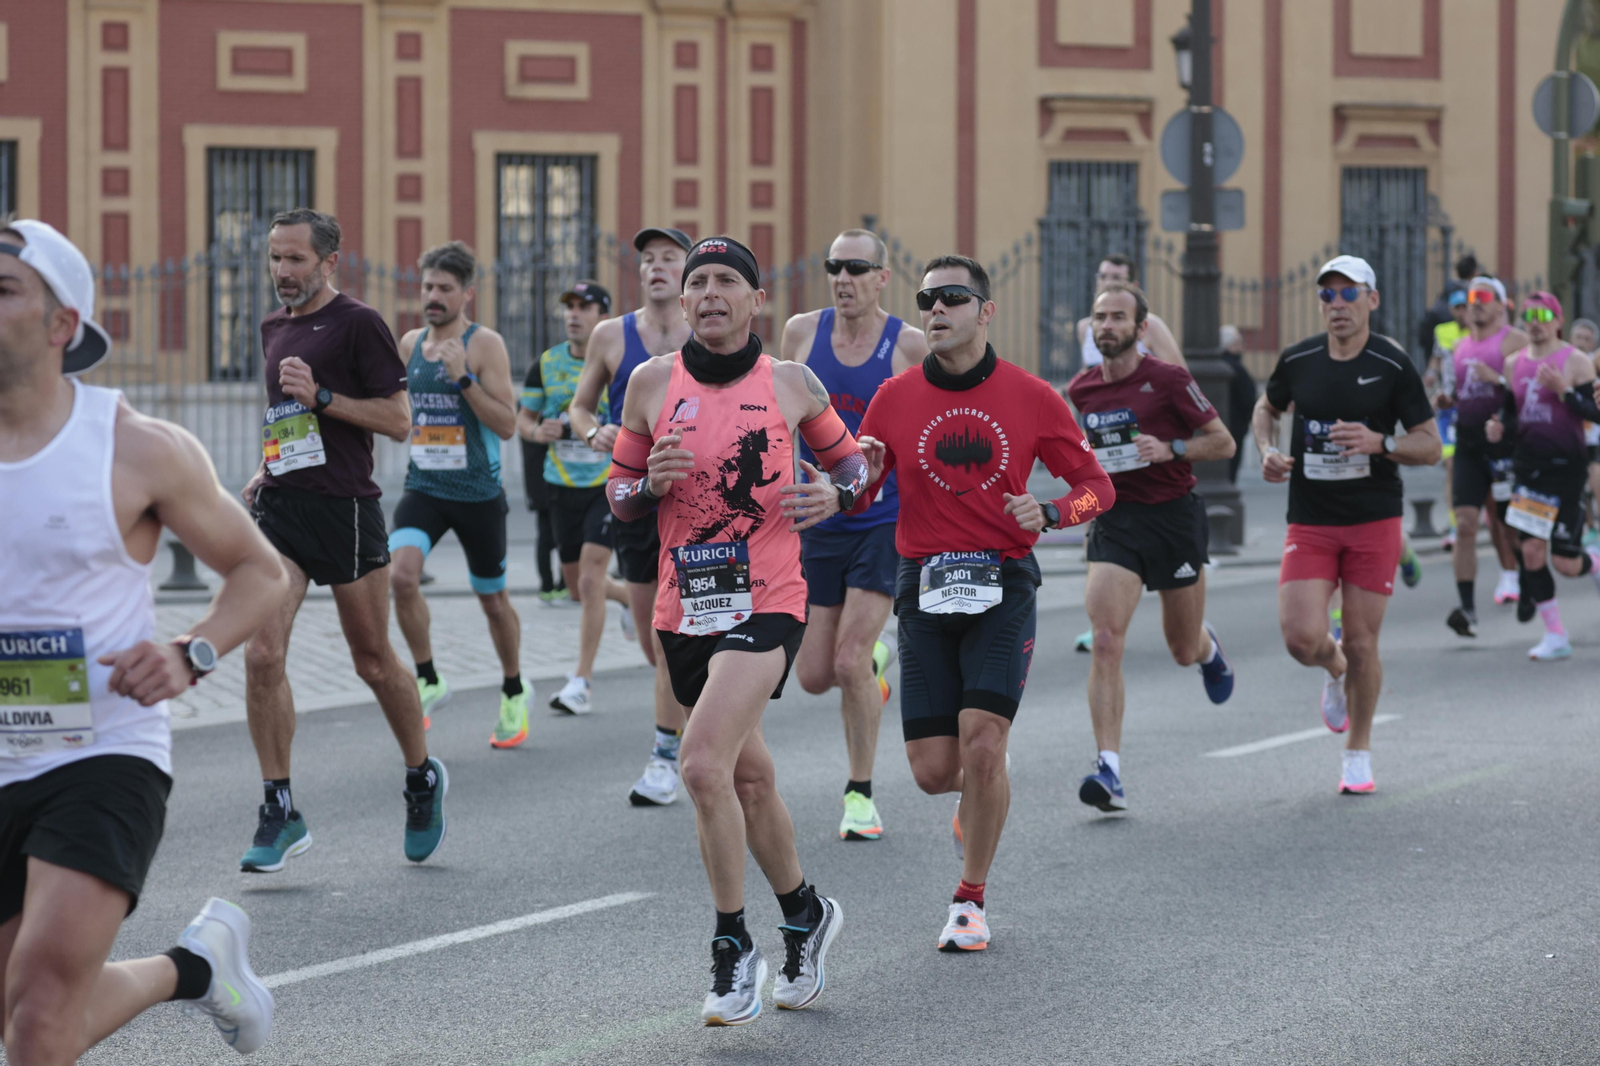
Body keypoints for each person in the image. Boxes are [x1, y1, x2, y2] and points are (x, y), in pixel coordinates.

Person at [0, 220, 287, 1060]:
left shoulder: (134, 448)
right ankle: (192, 969)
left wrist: (188, 650)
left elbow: (258, 571)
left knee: (43, 1000)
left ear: (63, 325)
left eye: (3, 289)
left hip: (101, 751)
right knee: (23, 1015)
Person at [608, 236, 861, 1024]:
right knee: (749, 781)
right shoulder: (651, 384)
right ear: (682, 304)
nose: (710, 292)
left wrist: (834, 498)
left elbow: (852, 469)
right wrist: (645, 486)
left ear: (756, 302)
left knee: (703, 766)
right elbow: (617, 497)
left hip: (769, 602)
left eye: (727, 281)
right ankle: (806, 912)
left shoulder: (790, 383)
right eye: (698, 282)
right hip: (685, 611)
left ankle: (730, 947)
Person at [855, 255, 1115, 951]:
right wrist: (848, 479)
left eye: (952, 298)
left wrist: (1052, 514)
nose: (935, 310)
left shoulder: (1032, 397)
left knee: (984, 743)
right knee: (936, 773)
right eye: (926, 300)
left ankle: (969, 900)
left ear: (985, 311)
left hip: (1003, 581)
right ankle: (977, 793)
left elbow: (1099, 490)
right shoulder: (894, 397)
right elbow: (859, 484)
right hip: (924, 584)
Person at [240, 208, 447, 871]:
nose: (282, 272)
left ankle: (420, 774)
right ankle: (279, 807)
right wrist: (268, 464)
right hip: (283, 509)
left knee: (373, 660)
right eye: (275, 258)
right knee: (262, 653)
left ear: (329, 262)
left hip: (347, 512)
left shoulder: (359, 324)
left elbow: (397, 419)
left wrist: (324, 395)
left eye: (295, 259)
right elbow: (286, 415)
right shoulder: (275, 325)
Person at [1251, 255, 1440, 795]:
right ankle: (1333, 672)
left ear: (1372, 301)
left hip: (1373, 517)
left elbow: (1429, 443)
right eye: (1328, 295)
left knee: (1362, 641)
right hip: (1310, 518)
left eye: (1349, 294)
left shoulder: (1392, 364)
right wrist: (1267, 450)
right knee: (1301, 637)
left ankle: (1357, 750)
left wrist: (1381, 442)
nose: (1337, 305)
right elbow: (1266, 410)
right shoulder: (1300, 359)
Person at [780, 228, 929, 841]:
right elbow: (779, 413)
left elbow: (932, 423)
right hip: (819, 519)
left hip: (881, 520)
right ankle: (871, 665)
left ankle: (860, 794)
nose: (843, 278)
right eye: (834, 267)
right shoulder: (800, 334)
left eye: (857, 269)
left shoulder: (908, 345)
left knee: (844, 662)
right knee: (814, 674)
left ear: (882, 278)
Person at [1066, 285, 1237, 812]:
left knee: (1181, 647)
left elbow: (1223, 441)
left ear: (1141, 328)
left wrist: (1172, 448)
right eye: (1100, 317)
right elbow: (1083, 452)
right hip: (1118, 521)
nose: (1107, 326)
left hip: (1174, 520)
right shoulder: (1083, 389)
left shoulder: (1168, 380)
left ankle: (1208, 650)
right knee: (1106, 640)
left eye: (1118, 317)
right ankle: (1109, 769)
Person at [386, 242, 528, 745]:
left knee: (492, 601)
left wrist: (463, 377)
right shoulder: (408, 343)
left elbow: (508, 425)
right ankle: (429, 679)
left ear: (466, 293)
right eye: (427, 286)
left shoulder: (483, 344)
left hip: (478, 493)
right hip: (424, 485)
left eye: (444, 288)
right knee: (401, 577)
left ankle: (513, 689)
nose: (433, 296)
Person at [571, 227, 694, 806]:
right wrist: (595, 430)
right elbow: (579, 404)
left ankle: (667, 756)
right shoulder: (612, 336)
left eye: (669, 258)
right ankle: (691, 724)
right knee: (654, 645)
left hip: (697, 507)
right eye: (648, 260)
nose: (656, 268)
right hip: (636, 501)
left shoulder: (708, 331)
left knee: (671, 642)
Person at [517, 281, 633, 718]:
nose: (573, 314)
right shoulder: (544, 364)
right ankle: (625, 598)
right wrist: (536, 431)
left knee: (588, 578)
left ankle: (580, 682)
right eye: (568, 307)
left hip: (608, 483)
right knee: (576, 586)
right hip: (560, 483)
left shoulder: (619, 361)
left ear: (603, 314)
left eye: (584, 307)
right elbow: (524, 419)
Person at [1484, 292, 1600, 660]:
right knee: (1532, 551)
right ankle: (1555, 635)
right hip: (1529, 470)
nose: (1534, 322)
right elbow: (1511, 414)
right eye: (1529, 315)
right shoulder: (1513, 364)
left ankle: (1594, 561)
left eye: (1542, 314)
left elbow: (1594, 414)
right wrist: (1499, 429)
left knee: (1566, 563)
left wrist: (1563, 392)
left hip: (1566, 469)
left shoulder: (1577, 362)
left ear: (1557, 320)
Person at [1439, 277, 1527, 637]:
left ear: (1501, 304)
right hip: (1469, 443)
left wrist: (1501, 380)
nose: (1475, 303)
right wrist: (1445, 401)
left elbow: (1534, 389)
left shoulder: (1515, 341)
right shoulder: (1458, 346)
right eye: (1471, 297)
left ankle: (1529, 585)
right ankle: (1468, 609)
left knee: (1510, 525)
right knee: (1465, 524)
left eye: (1484, 297)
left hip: (1505, 442)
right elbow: (1455, 391)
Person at [1074, 254, 1186, 370]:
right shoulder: (1084, 327)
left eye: (1116, 278)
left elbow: (1179, 376)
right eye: (1102, 276)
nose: (1107, 283)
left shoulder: (1151, 325)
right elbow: (1088, 373)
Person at [1429, 288, 1469, 548]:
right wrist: (1430, 374)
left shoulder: (1480, 332)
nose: (1462, 312)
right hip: (1449, 409)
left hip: (1475, 407)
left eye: (1465, 306)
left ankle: (1475, 516)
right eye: (1457, 307)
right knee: (1452, 466)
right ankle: (1455, 525)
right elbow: (1435, 359)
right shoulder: (1442, 331)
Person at [1569, 318, 1600, 543]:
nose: (1581, 342)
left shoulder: (1593, 364)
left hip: (1595, 436)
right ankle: (1590, 527)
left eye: (1586, 339)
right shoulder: (1562, 362)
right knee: (1579, 488)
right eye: (1578, 337)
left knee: (1597, 483)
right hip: (1571, 435)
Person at [1218, 324, 1259, 483]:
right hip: (1235, 427)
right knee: (1231, 469)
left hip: (1218, 426)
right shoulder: (1237, 368)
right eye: (1239, 343)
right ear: (1231, 345)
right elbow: (1248, 398)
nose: (1242, 347)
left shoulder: (1217, 365)